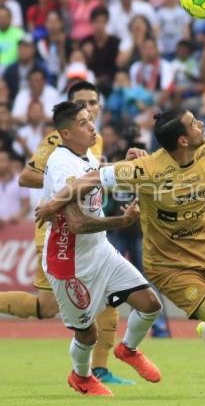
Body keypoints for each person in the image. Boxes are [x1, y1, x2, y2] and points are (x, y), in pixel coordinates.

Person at [37, 108, 205, 400]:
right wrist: (53, 204)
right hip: (168, 266)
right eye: (193, 123)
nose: (201, 124)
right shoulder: (148, 169)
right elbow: (89, 181)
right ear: (182, 140)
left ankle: (202, 336)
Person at [0, 81, 137, 385]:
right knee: (58, 306)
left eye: (93, 101)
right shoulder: (57, 140)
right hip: (60, 234)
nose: (88, 107)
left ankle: (98, 370)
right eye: (82, 102)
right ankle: (94, 370)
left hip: (84, 235)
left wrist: (114, 171)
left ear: (100, 106)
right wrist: (63, 187)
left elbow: (94, 174)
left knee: (90, 301)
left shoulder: (93, 140)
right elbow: (26, 176)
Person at [37, 100, 162, 396]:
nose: (92, 126)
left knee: (150, 305)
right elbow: (77, 223)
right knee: (87, 333)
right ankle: (81, 377)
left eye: (91, 119)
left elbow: (94, 172)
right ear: (66, 133)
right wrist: (122, 220)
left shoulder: (86, 154)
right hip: (70, 263)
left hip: (100, 253)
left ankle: (128, 350)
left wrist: (124, 163)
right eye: (83, 122)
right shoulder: (61, 165)